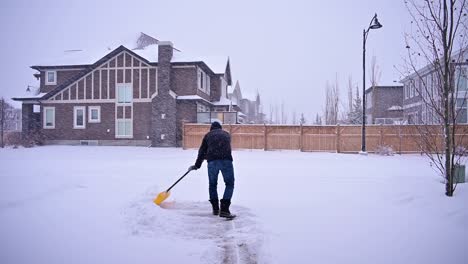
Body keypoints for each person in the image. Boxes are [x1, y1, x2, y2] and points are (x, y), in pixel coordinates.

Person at [189, 121, 236, 219]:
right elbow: (223, 148)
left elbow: (202, 151)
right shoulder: (226, 134)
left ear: (211, 128)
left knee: (212, 184)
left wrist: (197, 165)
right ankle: (224, 209)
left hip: (212, 162)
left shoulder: (208, 135)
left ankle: (215, 208)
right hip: (226, 161)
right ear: (220, 128)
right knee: (229, 184)